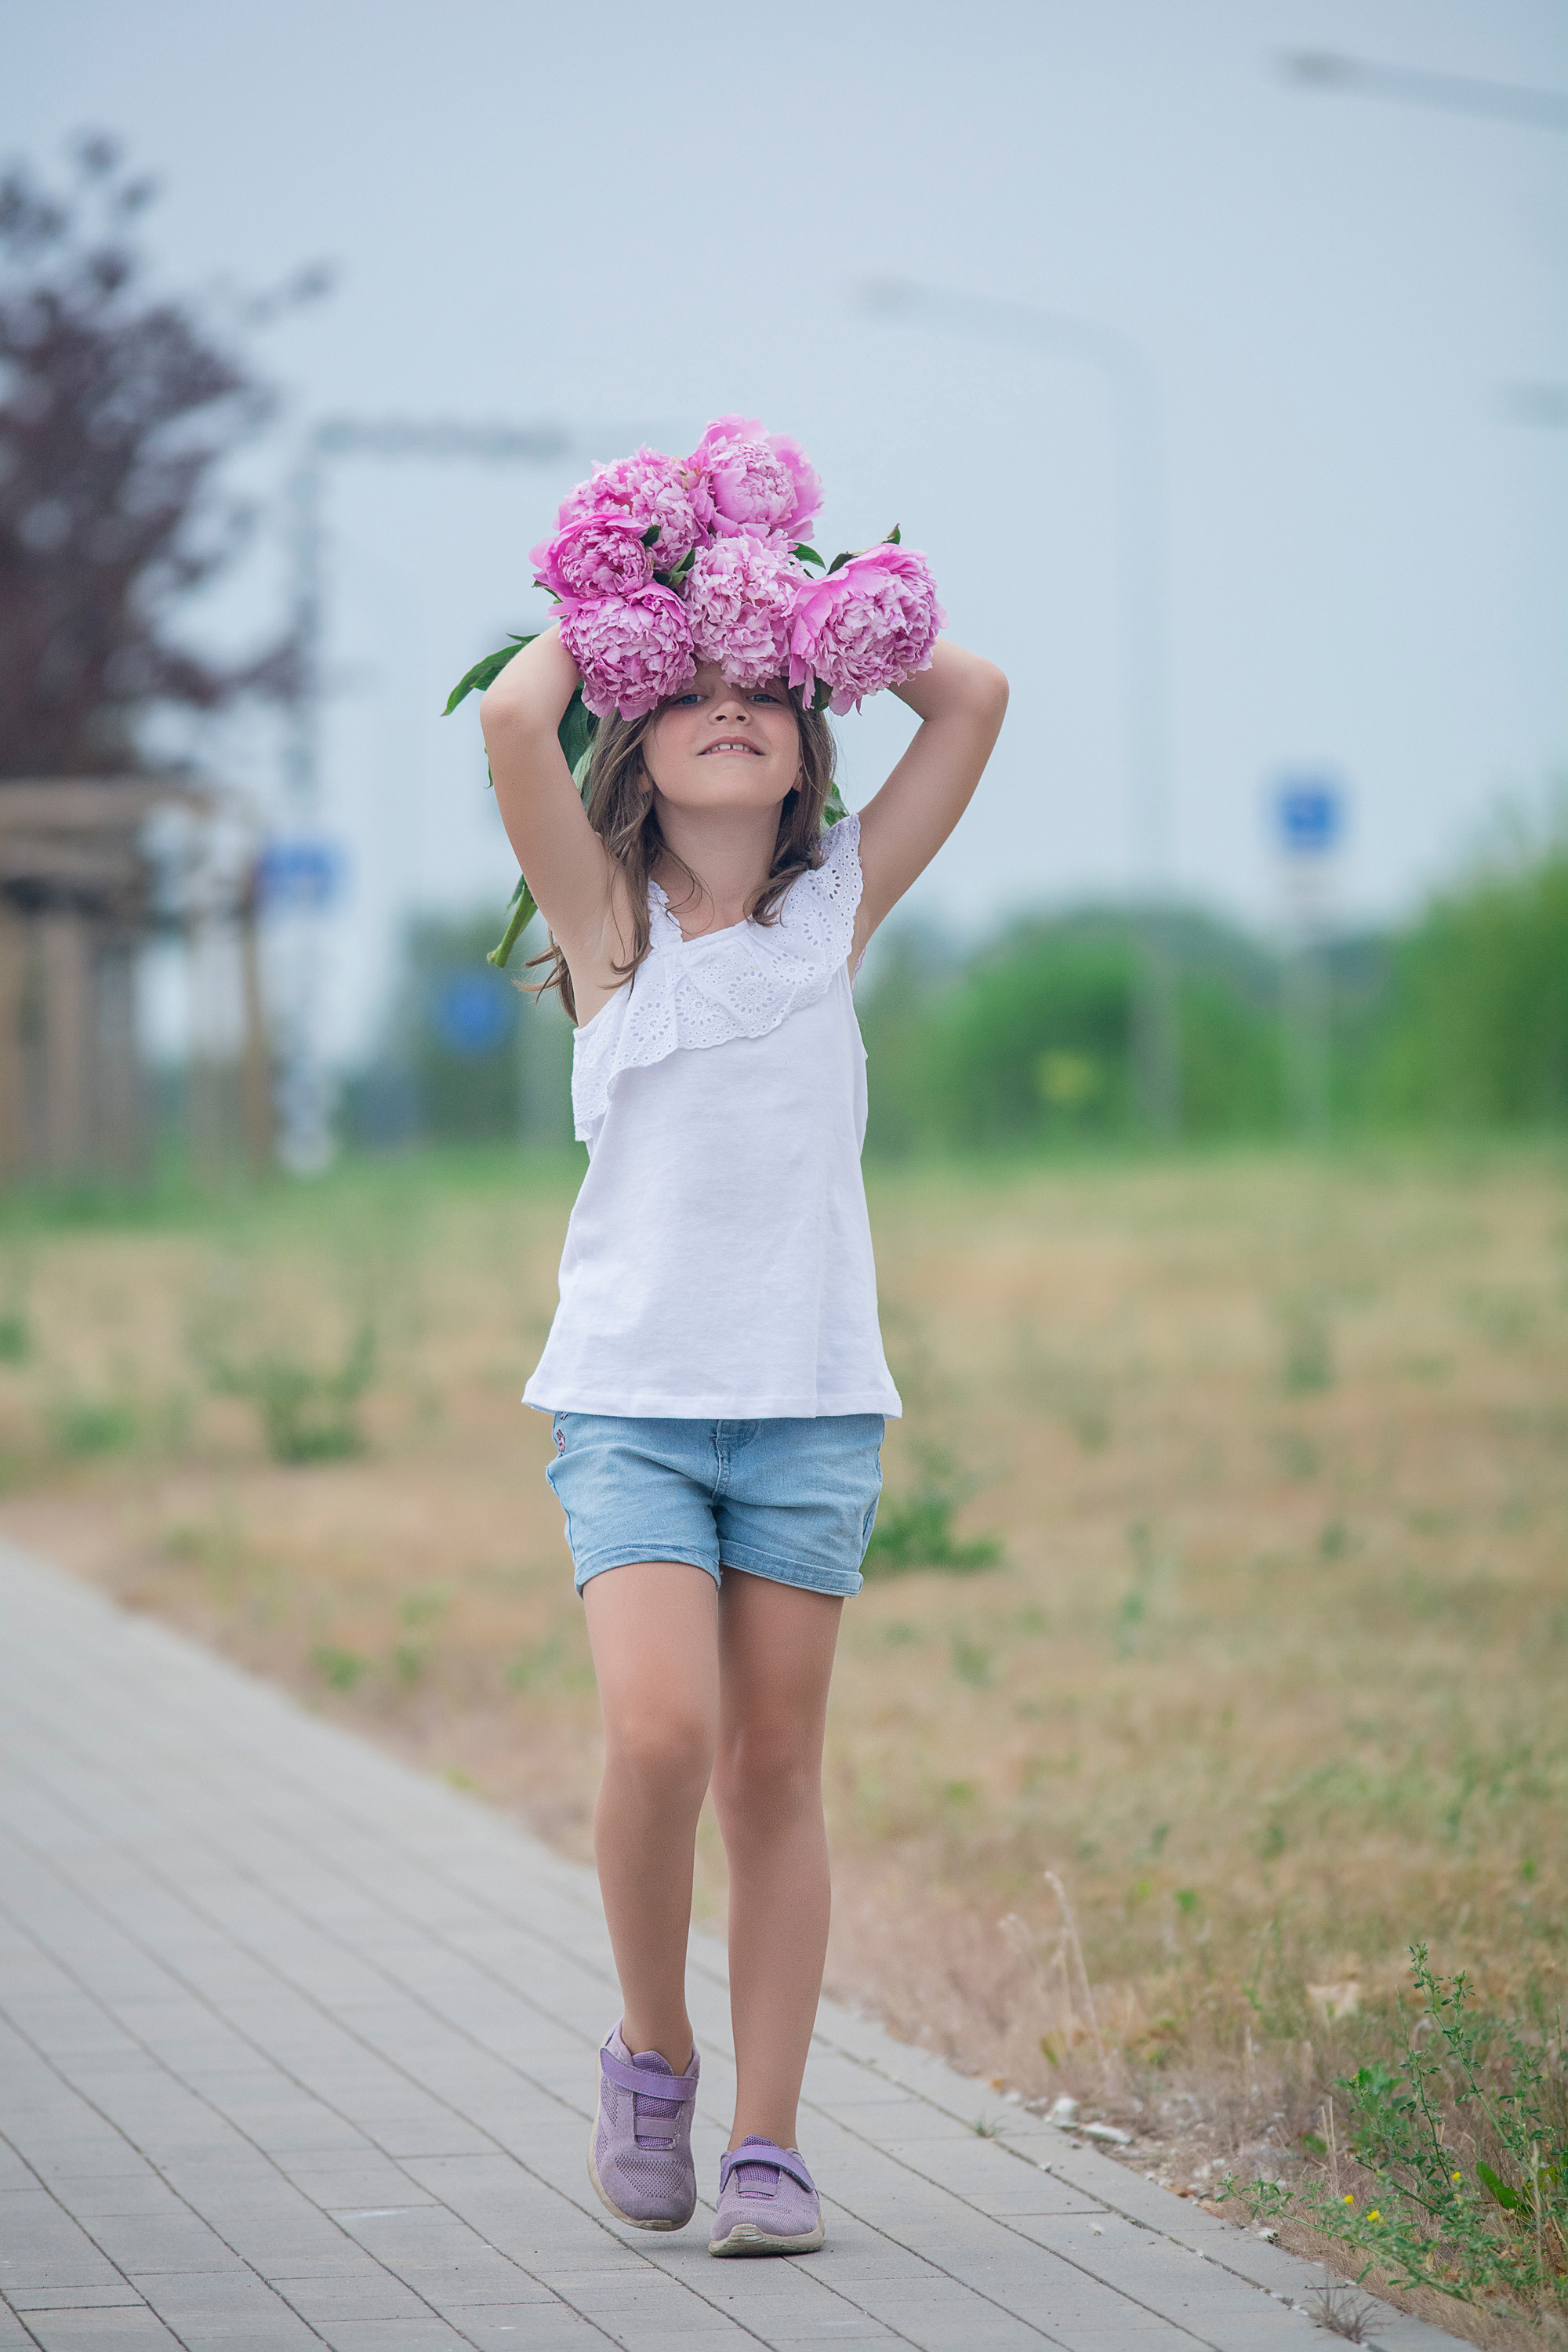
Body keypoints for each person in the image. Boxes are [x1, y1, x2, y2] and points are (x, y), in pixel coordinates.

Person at [481, 436, 1007, 2257]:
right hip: (631, 1408)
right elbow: (508, 725)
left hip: (806, 1414)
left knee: (774, 1770)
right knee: (658, 1733)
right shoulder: (610, 933)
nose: (729, 709)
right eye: (687, 693)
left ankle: (770, 2147)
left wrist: (795, 586)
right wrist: (634, 574)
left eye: (763, 695)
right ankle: (650, 2049)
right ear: (634, 736)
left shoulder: (832, 913)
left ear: (806, 738)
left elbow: (974, 694)